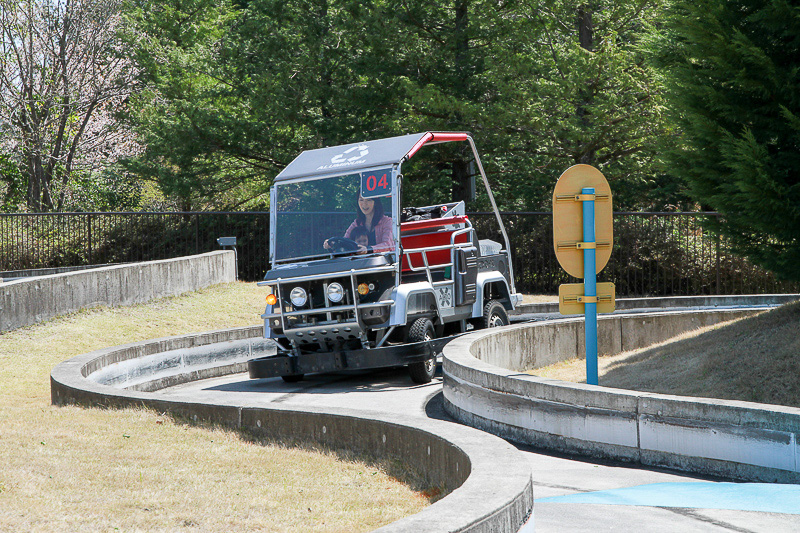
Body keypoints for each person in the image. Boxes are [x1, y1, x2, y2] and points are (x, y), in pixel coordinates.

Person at [324, 194, 394, 254]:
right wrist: (332, 244)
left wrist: (368, 249)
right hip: (359, 265)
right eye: (361, 200)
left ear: (375, 202)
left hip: (383, 266)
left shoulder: (387, 222)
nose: (364, 204)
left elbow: (388, 245)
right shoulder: (356, 223)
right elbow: (345, 241)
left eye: (368, 200)